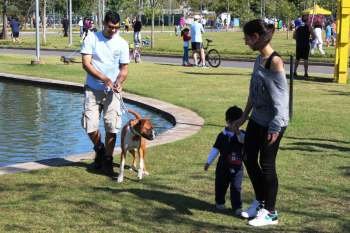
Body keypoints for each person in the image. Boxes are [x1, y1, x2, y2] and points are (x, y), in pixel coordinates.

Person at [233, 19, 289, 227]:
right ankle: (260, 201)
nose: (245, 42)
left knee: (267, 164)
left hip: (274, 122)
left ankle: (271, 212)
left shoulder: (275, 62)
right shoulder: (258, 59)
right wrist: (244, 116)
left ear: (256, 37)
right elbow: (253, 91)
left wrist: (276, 126)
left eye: (247, 38)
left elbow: (283, 98)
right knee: (248, 157)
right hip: (257, 118)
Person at [80, 11, 129, 176]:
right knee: (89, 124)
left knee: (112, 126)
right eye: (110, 27)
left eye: (116, 27)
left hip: (112, 93)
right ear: (103, 24)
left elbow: (124, 70)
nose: (113, 30)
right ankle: (99, 149)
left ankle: (107, 161)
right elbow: (86, 64)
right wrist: (104, 78)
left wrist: (119, 82)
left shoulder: (122, 43)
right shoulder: (92, 38)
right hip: (93, 89)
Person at [204, 106, 245, 217]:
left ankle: (237, 207)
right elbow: (215, 149)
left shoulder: (242, 135)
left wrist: (237, 132)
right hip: (222, 167)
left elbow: (243, 141)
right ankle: (220, 202)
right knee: (220, 185)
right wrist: (208, 162)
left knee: (236, 187)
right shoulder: (222, 135)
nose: (237, 126)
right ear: (228, 122)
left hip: (237, 168)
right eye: (235, 123)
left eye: (239, 123)